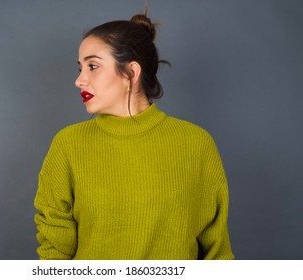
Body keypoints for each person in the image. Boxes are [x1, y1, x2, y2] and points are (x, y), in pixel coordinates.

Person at [34, 11, 234, 260]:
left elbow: (216, 248)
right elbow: (55, 246)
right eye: (80, 68)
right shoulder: (68, 144)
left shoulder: (196, 143)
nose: (79, 80)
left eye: (92, 66)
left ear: (131, 72)